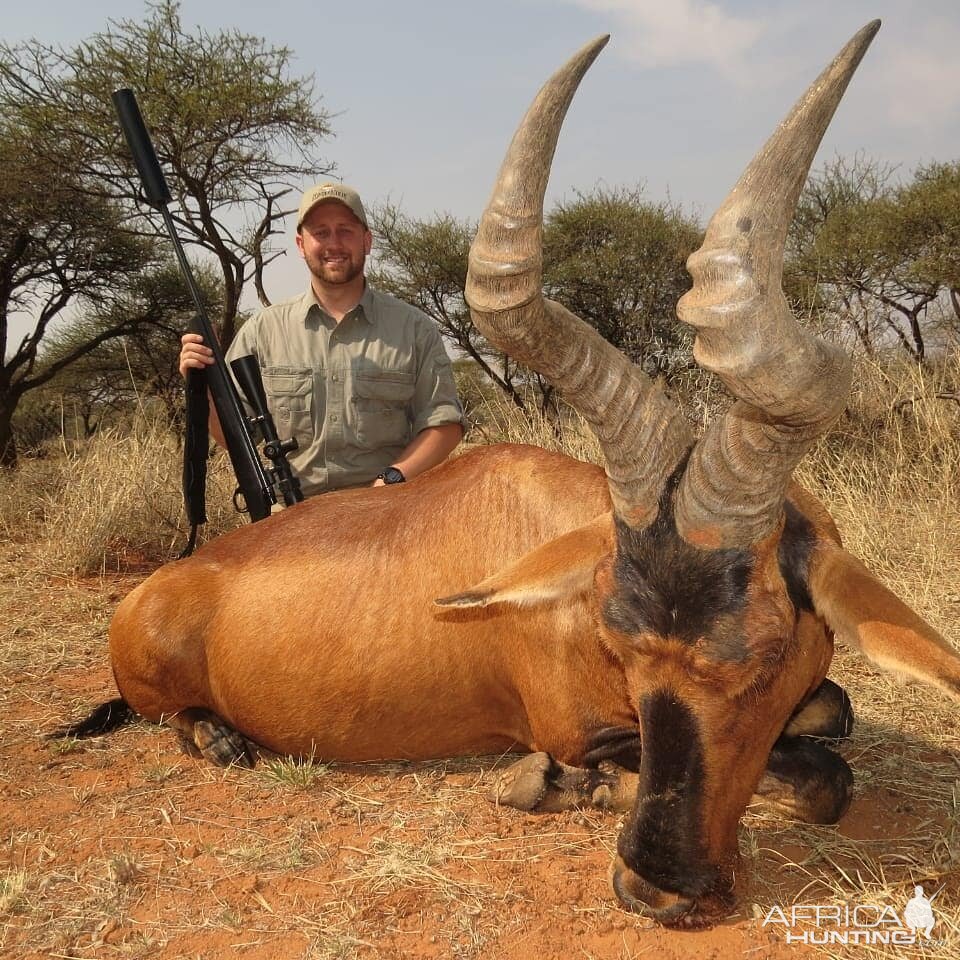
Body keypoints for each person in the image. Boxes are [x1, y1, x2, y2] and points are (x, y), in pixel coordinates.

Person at [178, 182, 463, 496]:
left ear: (366, 241)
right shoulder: (262, 331)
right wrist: (202, 387)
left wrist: (389, 481)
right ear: (301, 244)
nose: (334, 244)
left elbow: (444, 425)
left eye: (345, 230)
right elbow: (235, 438)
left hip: (387, 509)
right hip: (293, 513)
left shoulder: (414, 328)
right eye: (321, 232)